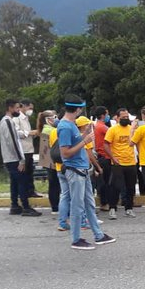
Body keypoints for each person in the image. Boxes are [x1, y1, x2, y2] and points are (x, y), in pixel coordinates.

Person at [57, 94, 115, 250]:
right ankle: (76, 239)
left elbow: (74, 144)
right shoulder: (65, 126)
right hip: (74, 171)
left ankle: (98, 235)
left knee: (89, 204)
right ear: (77, 109)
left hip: (82, 170)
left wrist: (84, 135)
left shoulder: (71, 125)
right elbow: (65, 153)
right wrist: (85, 141)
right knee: (77, 206)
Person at [0, 98, 41, 216]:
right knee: (22, 182)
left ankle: (15, 205)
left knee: (15, 182)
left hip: (10, 157)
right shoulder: (8, 122)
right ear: (10, 108)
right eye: (16, 108)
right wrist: (21, 160)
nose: (18, 110)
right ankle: (25, 207)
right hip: (13, 158)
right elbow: (13, 142)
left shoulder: (5, 121)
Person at [104, 108, 138, 220]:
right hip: (118, 162)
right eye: (123, 117)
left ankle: (129, 208)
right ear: (117, 118)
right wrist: (113, 158)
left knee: (130, 187)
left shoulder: (131, 129)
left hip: (131, 162)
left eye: (127, 117)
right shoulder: (112, 130)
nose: (125, 119)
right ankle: (112, 209)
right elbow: (106, 144)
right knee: (115, 187)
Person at [11, 99, 41, 198]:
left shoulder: (26, 118)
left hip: (29, 149)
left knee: (29, 172)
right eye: (29, 108)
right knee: (23, 173)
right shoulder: (17, 118)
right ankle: (24, 192)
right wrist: (29, 133)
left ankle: (31, 191)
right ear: (23, 106)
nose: (30, 110)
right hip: (23, 150)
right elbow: (16, 133)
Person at [37, 110, 60, 214]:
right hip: (51, 160)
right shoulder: (48, 130)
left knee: (54, 184)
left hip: (49, 160)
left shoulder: (48, 129)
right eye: (54, 117)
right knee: (54, 184)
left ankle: (56, 206)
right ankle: (55, 206)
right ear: (48, 119)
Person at [93, 106, 111, 211]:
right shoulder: (102, 127)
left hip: (101, 156)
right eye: (107, 114)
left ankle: (104, 202)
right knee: (106, 182)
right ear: (103, 115)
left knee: (103, 181)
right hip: (105, 156)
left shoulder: (97, 126)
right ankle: (105, 203)